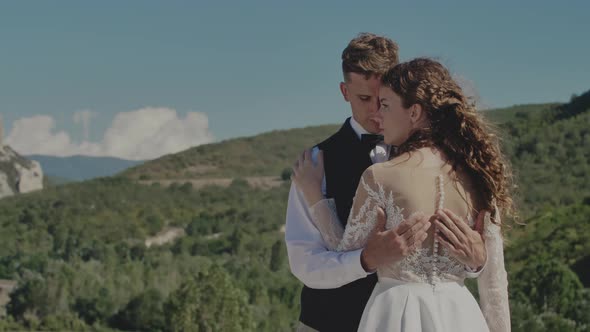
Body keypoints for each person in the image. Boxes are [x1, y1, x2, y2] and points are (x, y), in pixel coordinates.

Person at [285, 33, 488, 332]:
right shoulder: (316, 164)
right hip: (328, 323)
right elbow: (305, 263)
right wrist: (365, 261)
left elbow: (452, 255)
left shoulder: (444, 162)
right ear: (344, 91)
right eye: (364, 99)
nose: (374, 112)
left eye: (383, 101)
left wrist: (476, 263)